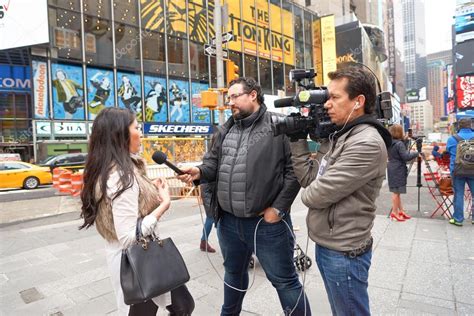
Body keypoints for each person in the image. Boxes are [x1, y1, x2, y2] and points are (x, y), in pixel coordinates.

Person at [178, 77, 310, 315]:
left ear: (252, 95)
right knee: (233, 276)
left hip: (267, 225)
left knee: (285, 282)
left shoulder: (279, 126)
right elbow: (212, 165)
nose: (230, 103)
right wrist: (198, 172)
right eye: (228, 98)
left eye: (234, 97)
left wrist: (278, 209)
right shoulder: (224, 130)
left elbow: (295, 172)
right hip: (228, 223)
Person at [289, 66, 392, 316]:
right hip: (329, 245)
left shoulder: (365, 142)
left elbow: (313, 194)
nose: (327, 104)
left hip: (344, 253)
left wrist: (312, 189)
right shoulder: (342, 135)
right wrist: (297, 139)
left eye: (335, 98)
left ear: (358, 102)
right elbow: (309, 179)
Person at [79, 108, 194, 316]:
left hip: (141, 256)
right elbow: (128, 238)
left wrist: (148, 188)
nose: (141, 133)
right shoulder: (122, 177)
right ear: (120, 134)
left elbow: (125, 205)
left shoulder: (113, 170)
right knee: (180, 307)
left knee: (182, 305)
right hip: (134, 262)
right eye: (137, 128)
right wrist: (164, 204)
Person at [387, 124, 419, 222]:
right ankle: (394, 213)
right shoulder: (399, 144)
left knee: (397, 192)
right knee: (396, 193)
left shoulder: (389, 142)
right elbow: (405, 156)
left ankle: (401, 211)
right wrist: (416, 153)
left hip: (392, 167)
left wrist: (405, 141)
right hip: (398, 169)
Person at [446, 118, 474, 226]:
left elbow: (448, 151)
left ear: (459, 126)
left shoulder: (452, 139)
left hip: (458, 170)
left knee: (458, 194)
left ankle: (458, 219)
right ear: (470, 125)